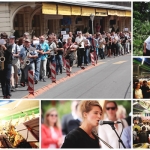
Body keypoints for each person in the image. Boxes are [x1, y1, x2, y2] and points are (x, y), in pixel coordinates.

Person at [0, 33, 12, 99]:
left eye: (4, 37)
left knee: (7, 79)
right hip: (1, 64)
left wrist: (4, 48)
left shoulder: (9, 45)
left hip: (7, 63)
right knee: (2, 80)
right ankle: (4, 94)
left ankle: (8, 94)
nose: (3, 38)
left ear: (6, 38)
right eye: (2, 37)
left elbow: (9, 54)